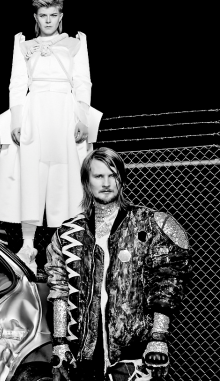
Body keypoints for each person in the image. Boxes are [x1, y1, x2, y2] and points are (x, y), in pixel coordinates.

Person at [45, 147, 191, 381]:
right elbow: (59, 289)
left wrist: (158, 338)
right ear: (86, 182)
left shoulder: (151, 224)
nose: (106, 183)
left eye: (112, 175)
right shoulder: (67, 233)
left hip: (134, 356)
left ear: (121, 179)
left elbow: (167, 284)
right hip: (83, 355)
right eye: (98, 176)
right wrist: (60, 343)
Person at [0, 0, 103, 274]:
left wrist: (82, 119)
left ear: (61, 17)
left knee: (66, 178)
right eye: (43, 15)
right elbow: (17, 84)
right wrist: (17, 121)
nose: (49, 20)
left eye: (53, 15)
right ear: (36, 17)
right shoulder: (23, 45)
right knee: (31, 175)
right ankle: (28, 247)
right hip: (35, 112)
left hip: (65, 112)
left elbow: (83, 82)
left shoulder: (76, 43)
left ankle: (61, 247)